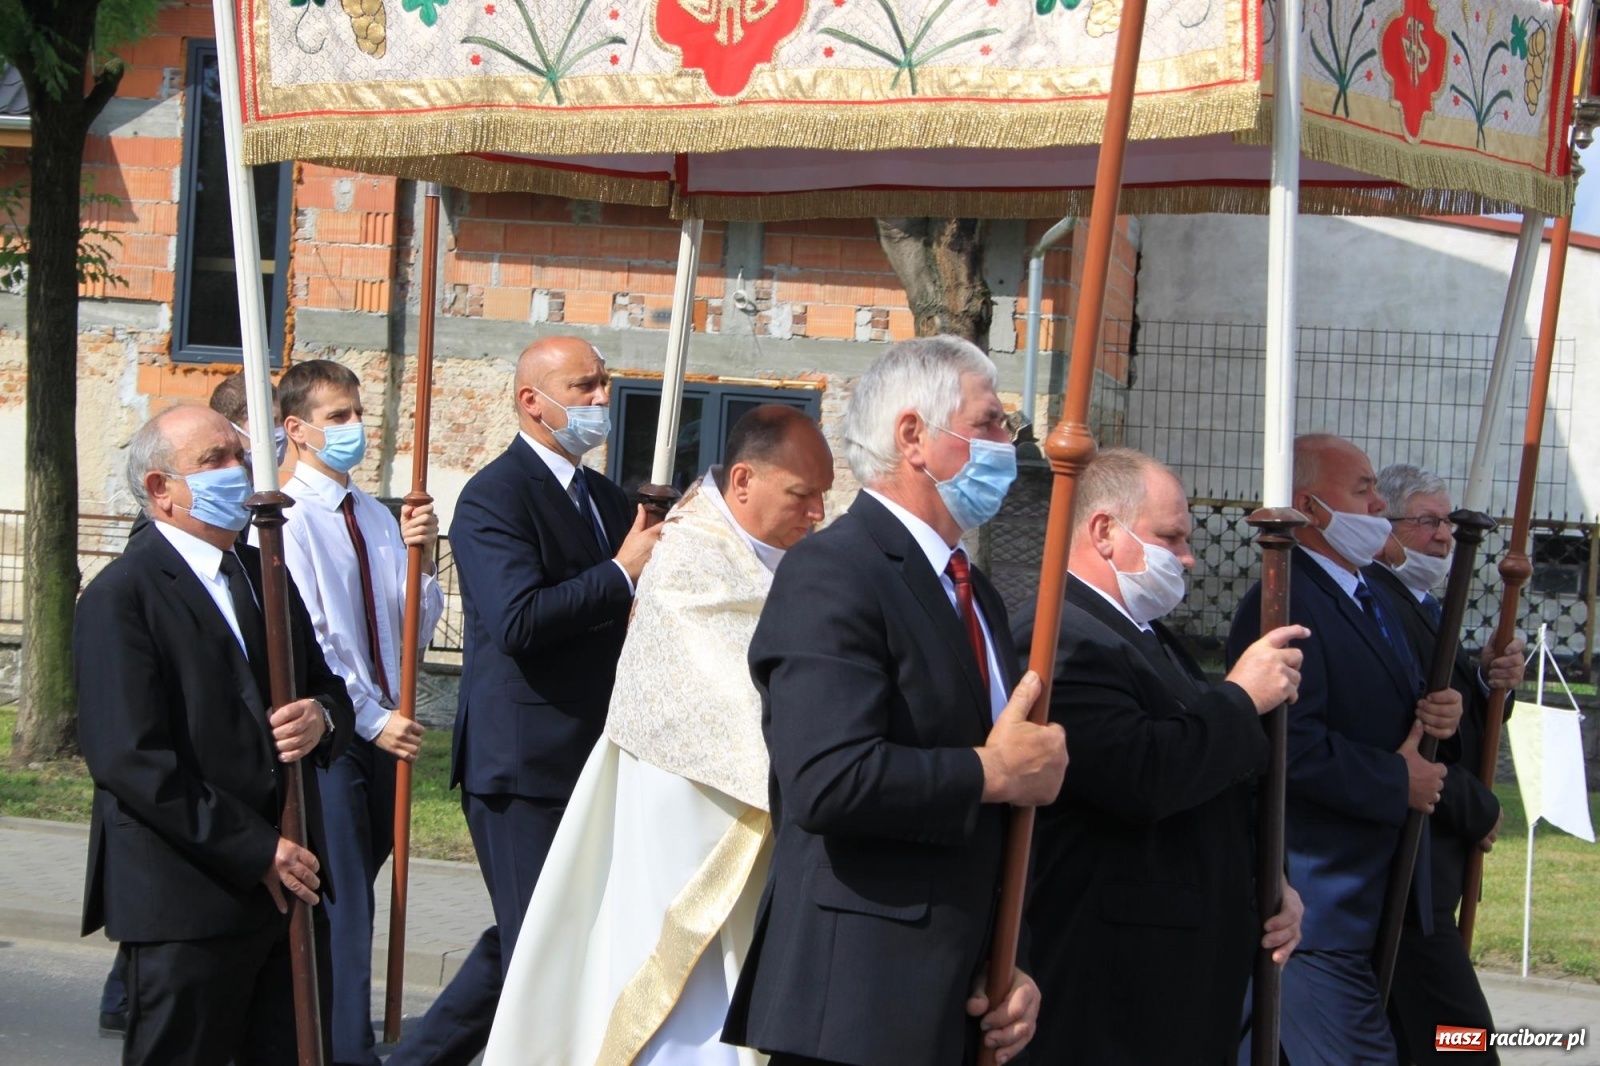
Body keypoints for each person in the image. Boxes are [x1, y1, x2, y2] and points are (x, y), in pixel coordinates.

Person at [723, 336, 1067, 1066]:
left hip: (959, 993)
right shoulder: (834, 570)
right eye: (992, 422)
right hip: (858, 1005)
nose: (1010, 443)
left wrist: (1016, 961)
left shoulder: (979, 598)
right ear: (914, 436)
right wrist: (991, 771)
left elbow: (1003, 821)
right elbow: (828, 779)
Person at [483, 404, 834, 1066]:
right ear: (742, 481)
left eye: (823, 497)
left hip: (759, 843)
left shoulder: (796, 560)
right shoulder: (686, 559)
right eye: (801, 495)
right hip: (689, 825)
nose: (816, 512)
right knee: (676, 1008)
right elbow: (730, 703)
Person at [389, 336, 663, 1066]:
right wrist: (621, 574)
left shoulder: (607, 498)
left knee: (538, 935)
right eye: (584, 387)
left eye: (604, 385)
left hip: (597, 758)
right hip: (522, 765)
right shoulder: (493, 496)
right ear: (532, 401)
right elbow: (518, 621)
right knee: (539, 944)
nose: (601, 400)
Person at [76, 405, 355, 1065]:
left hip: (287, 896)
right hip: (188, 900)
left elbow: (329, 690)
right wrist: (258, 850)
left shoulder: (266, 575)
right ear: (159, 489)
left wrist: (322, 719)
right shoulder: (123, 596)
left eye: (239, 455)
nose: (238, 472)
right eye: (214, 461)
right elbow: (131, 758)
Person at [1010, 448, 1307, 1064]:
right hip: (1114, 979)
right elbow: (1140, 775)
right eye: (1170, 537)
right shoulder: (1057, 636)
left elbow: (1222, 775)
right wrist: (1239, 697)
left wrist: (1270, 874)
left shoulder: (1143, 634)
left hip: (1181, 967)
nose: (1189, 558)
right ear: (1104, 532)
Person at [1228, 434, 1463, 1066]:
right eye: (1362, 489)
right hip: (1318, 901)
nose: (1379, 504)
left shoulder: (1367, 594)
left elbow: (1388, 710)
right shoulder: (1286, 601)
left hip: (1376, 895)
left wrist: (1442, 711)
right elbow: (1287, 748)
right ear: (1310, 504)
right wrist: (1396, 780)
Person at [272, 359, 444, 1066]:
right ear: (297, 428)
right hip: (337, 737)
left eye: (357, 414)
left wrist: (425, 560)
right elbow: (320, 637)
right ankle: (346, 1050)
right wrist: (372, 719)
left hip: (385, 732)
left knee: (362, 887)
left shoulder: (376, 516)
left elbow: (412, 628)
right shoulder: (286, 518)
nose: (354, 429)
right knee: (346, 910)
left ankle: (315, 1032)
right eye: (337, 417)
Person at [1370, 463, 1525, 1065]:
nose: (1443, 536)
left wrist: (1488, 684)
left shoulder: (1428, 606)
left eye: (1446, 520)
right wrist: (1480, 809)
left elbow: (1456, 731)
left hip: (1433, 872)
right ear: (1387, 529)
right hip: (1410, 871)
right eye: (1427, 521)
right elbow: (1413, 739)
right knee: (1458, 1041)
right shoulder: (1384, 604)